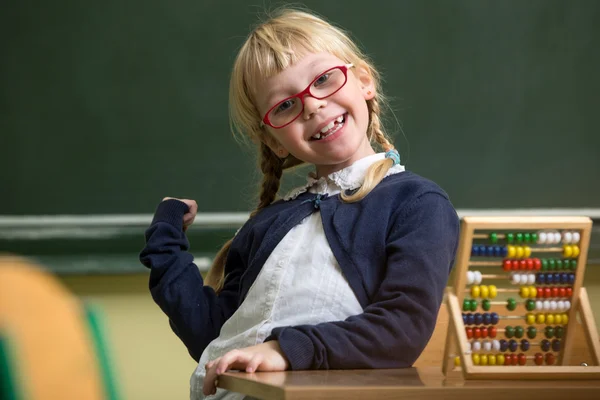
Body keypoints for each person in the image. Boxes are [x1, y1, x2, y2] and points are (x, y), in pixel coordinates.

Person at [139, 7, 459, 400]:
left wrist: (283, 351)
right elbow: (214, 337)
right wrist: (165, 244)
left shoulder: (414, 203)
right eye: (285, 105)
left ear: (363, 81)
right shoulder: (269, 224)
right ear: (274, 141)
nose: (311, 105)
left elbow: (401, 329)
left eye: (323, 79)